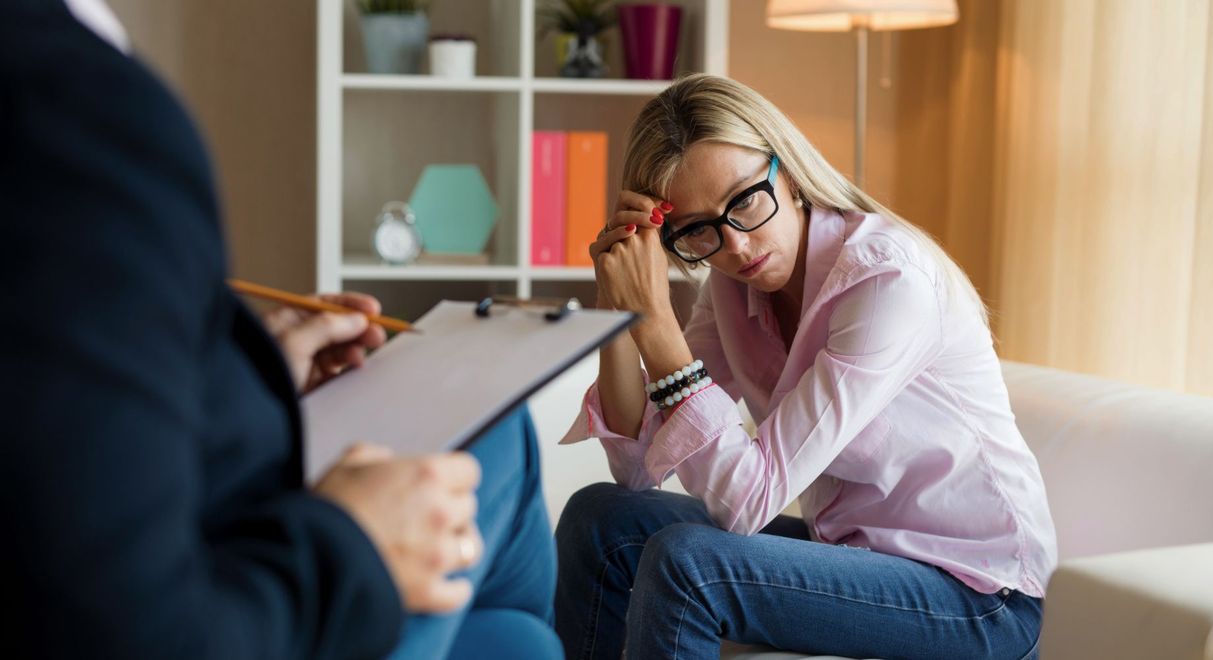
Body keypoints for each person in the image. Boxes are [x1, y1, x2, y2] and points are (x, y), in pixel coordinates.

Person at [0, 1, 560, 658]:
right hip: (254, 598)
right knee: (493, 434)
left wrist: (251, 369)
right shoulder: (70, 111)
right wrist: (355, 545)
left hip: (223, 541)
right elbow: (127, 629)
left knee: (509, 638)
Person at [554, 74, 1056, 660]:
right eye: (698, 231)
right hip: (854, 558)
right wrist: (621, 308)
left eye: (744, 201)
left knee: (689, 565)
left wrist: (657, 322)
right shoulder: (731, 290)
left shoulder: (886, 280)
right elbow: (638, 472)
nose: (735, 246)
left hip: (979, 599)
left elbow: (745, 503)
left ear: (787, 170)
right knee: (601, 520)